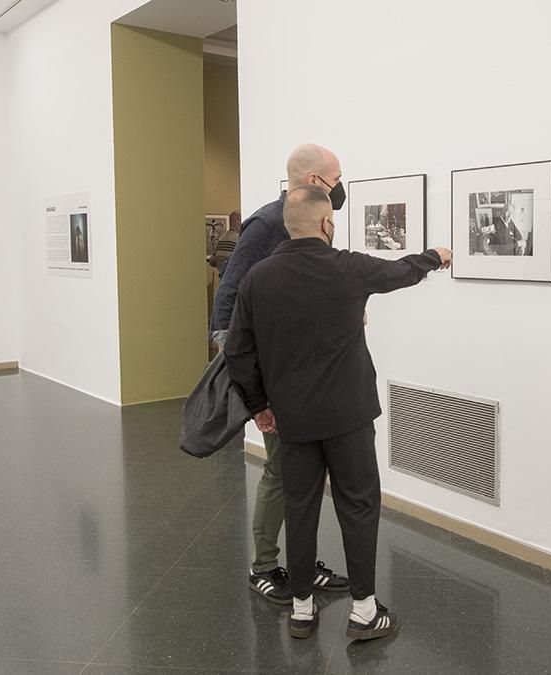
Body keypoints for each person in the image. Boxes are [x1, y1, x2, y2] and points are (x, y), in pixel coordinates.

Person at [225, 185, 452, 641]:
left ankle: (303, 609)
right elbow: (400, 271)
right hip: (348, 417)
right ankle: (364, 611)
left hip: (293, 419)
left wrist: (259, 407)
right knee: (359, 505)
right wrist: (435, 255)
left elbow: (238, 352)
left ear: (288, 226)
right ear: (327, 224)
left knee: (300, 505)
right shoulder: (347, 268)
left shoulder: (258, 279)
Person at [209, 145, 351, 605]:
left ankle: (302, 565)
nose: (340, 186)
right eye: (335, 177)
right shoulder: (269, 223)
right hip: (271, 370)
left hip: (301, 367)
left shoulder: (311, 220)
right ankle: (265, 567)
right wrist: (242, 375)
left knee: (301, 470)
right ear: (312, 179)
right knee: (280, 467)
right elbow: (231, 292)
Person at [208, 209, 243, 273]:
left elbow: (212, 261)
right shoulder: (240, 240)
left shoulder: (221, 239)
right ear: (238, 223)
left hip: (223, 278)